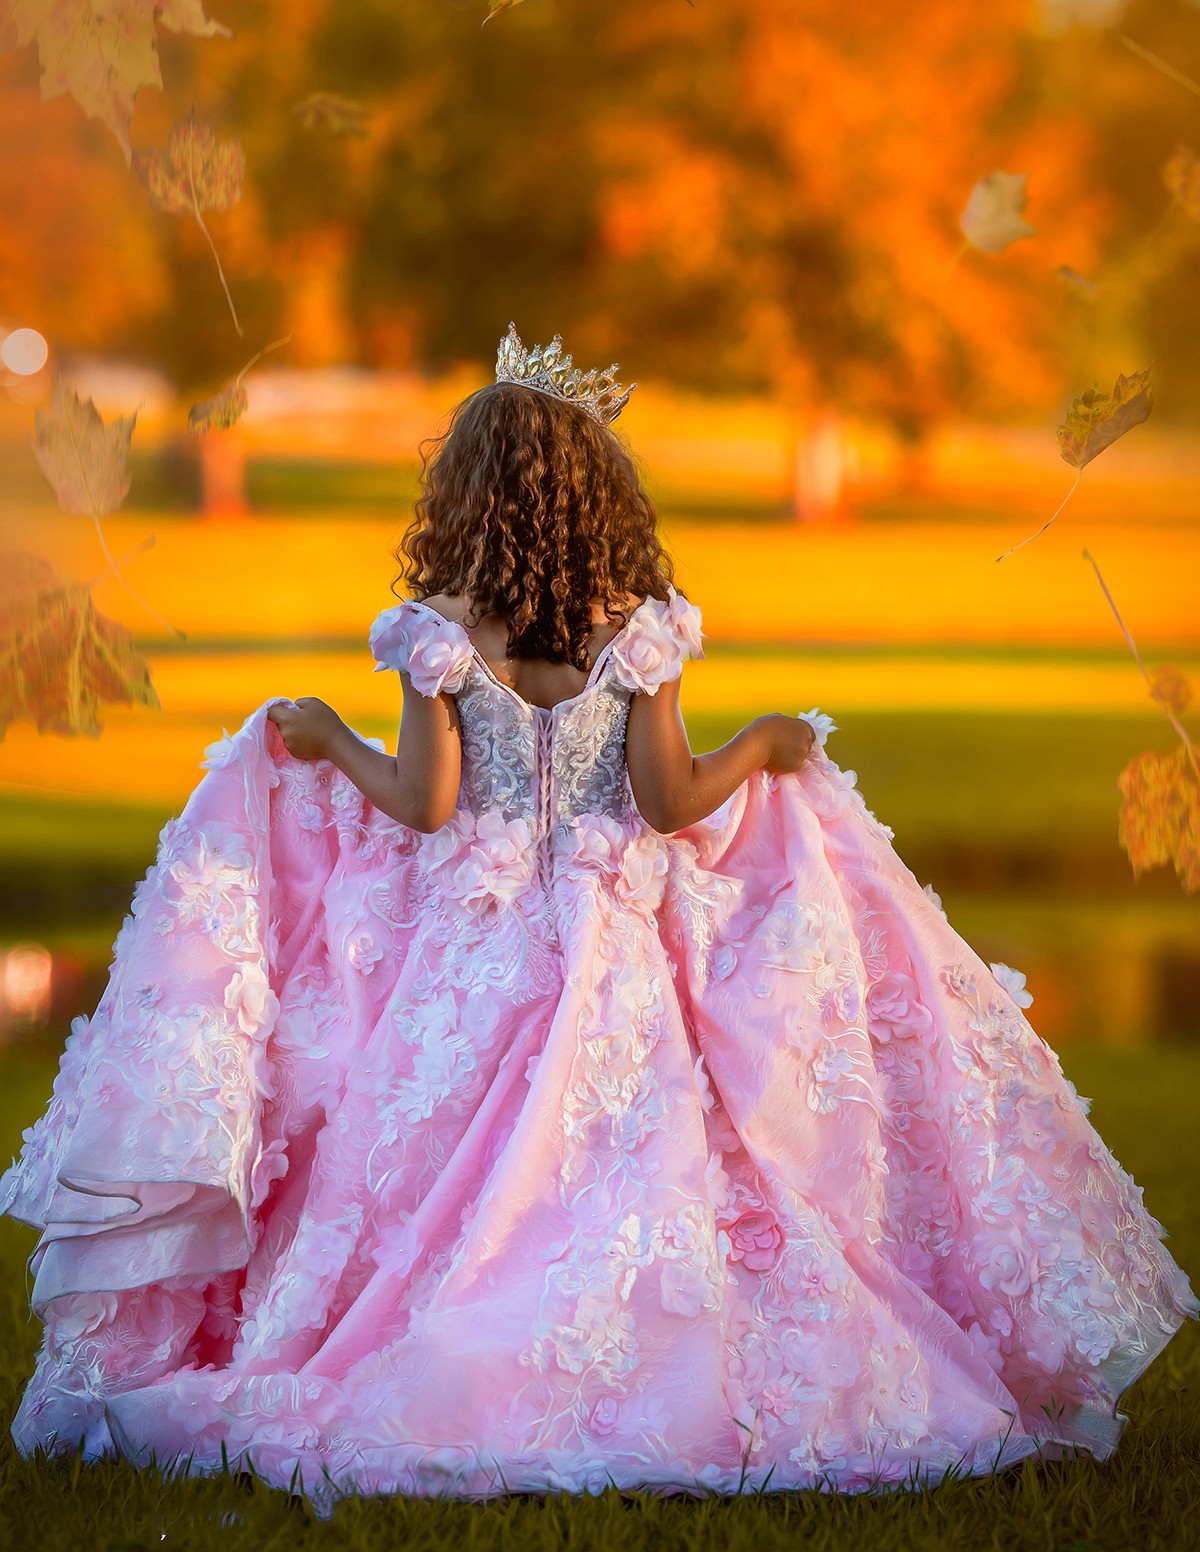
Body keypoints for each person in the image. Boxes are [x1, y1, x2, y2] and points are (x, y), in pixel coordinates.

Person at [3, 326, 1193, 1507]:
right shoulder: (641, 628)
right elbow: (672, 799)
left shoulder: (439, 635)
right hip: (616, 931)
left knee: (432, 1168)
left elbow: (425, 805)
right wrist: (765, 745)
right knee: (640, 1145)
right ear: (596, 489)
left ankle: (453, 1347)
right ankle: (641, 1351)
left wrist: (326, 741)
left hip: (474, 939)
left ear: (465, 494)